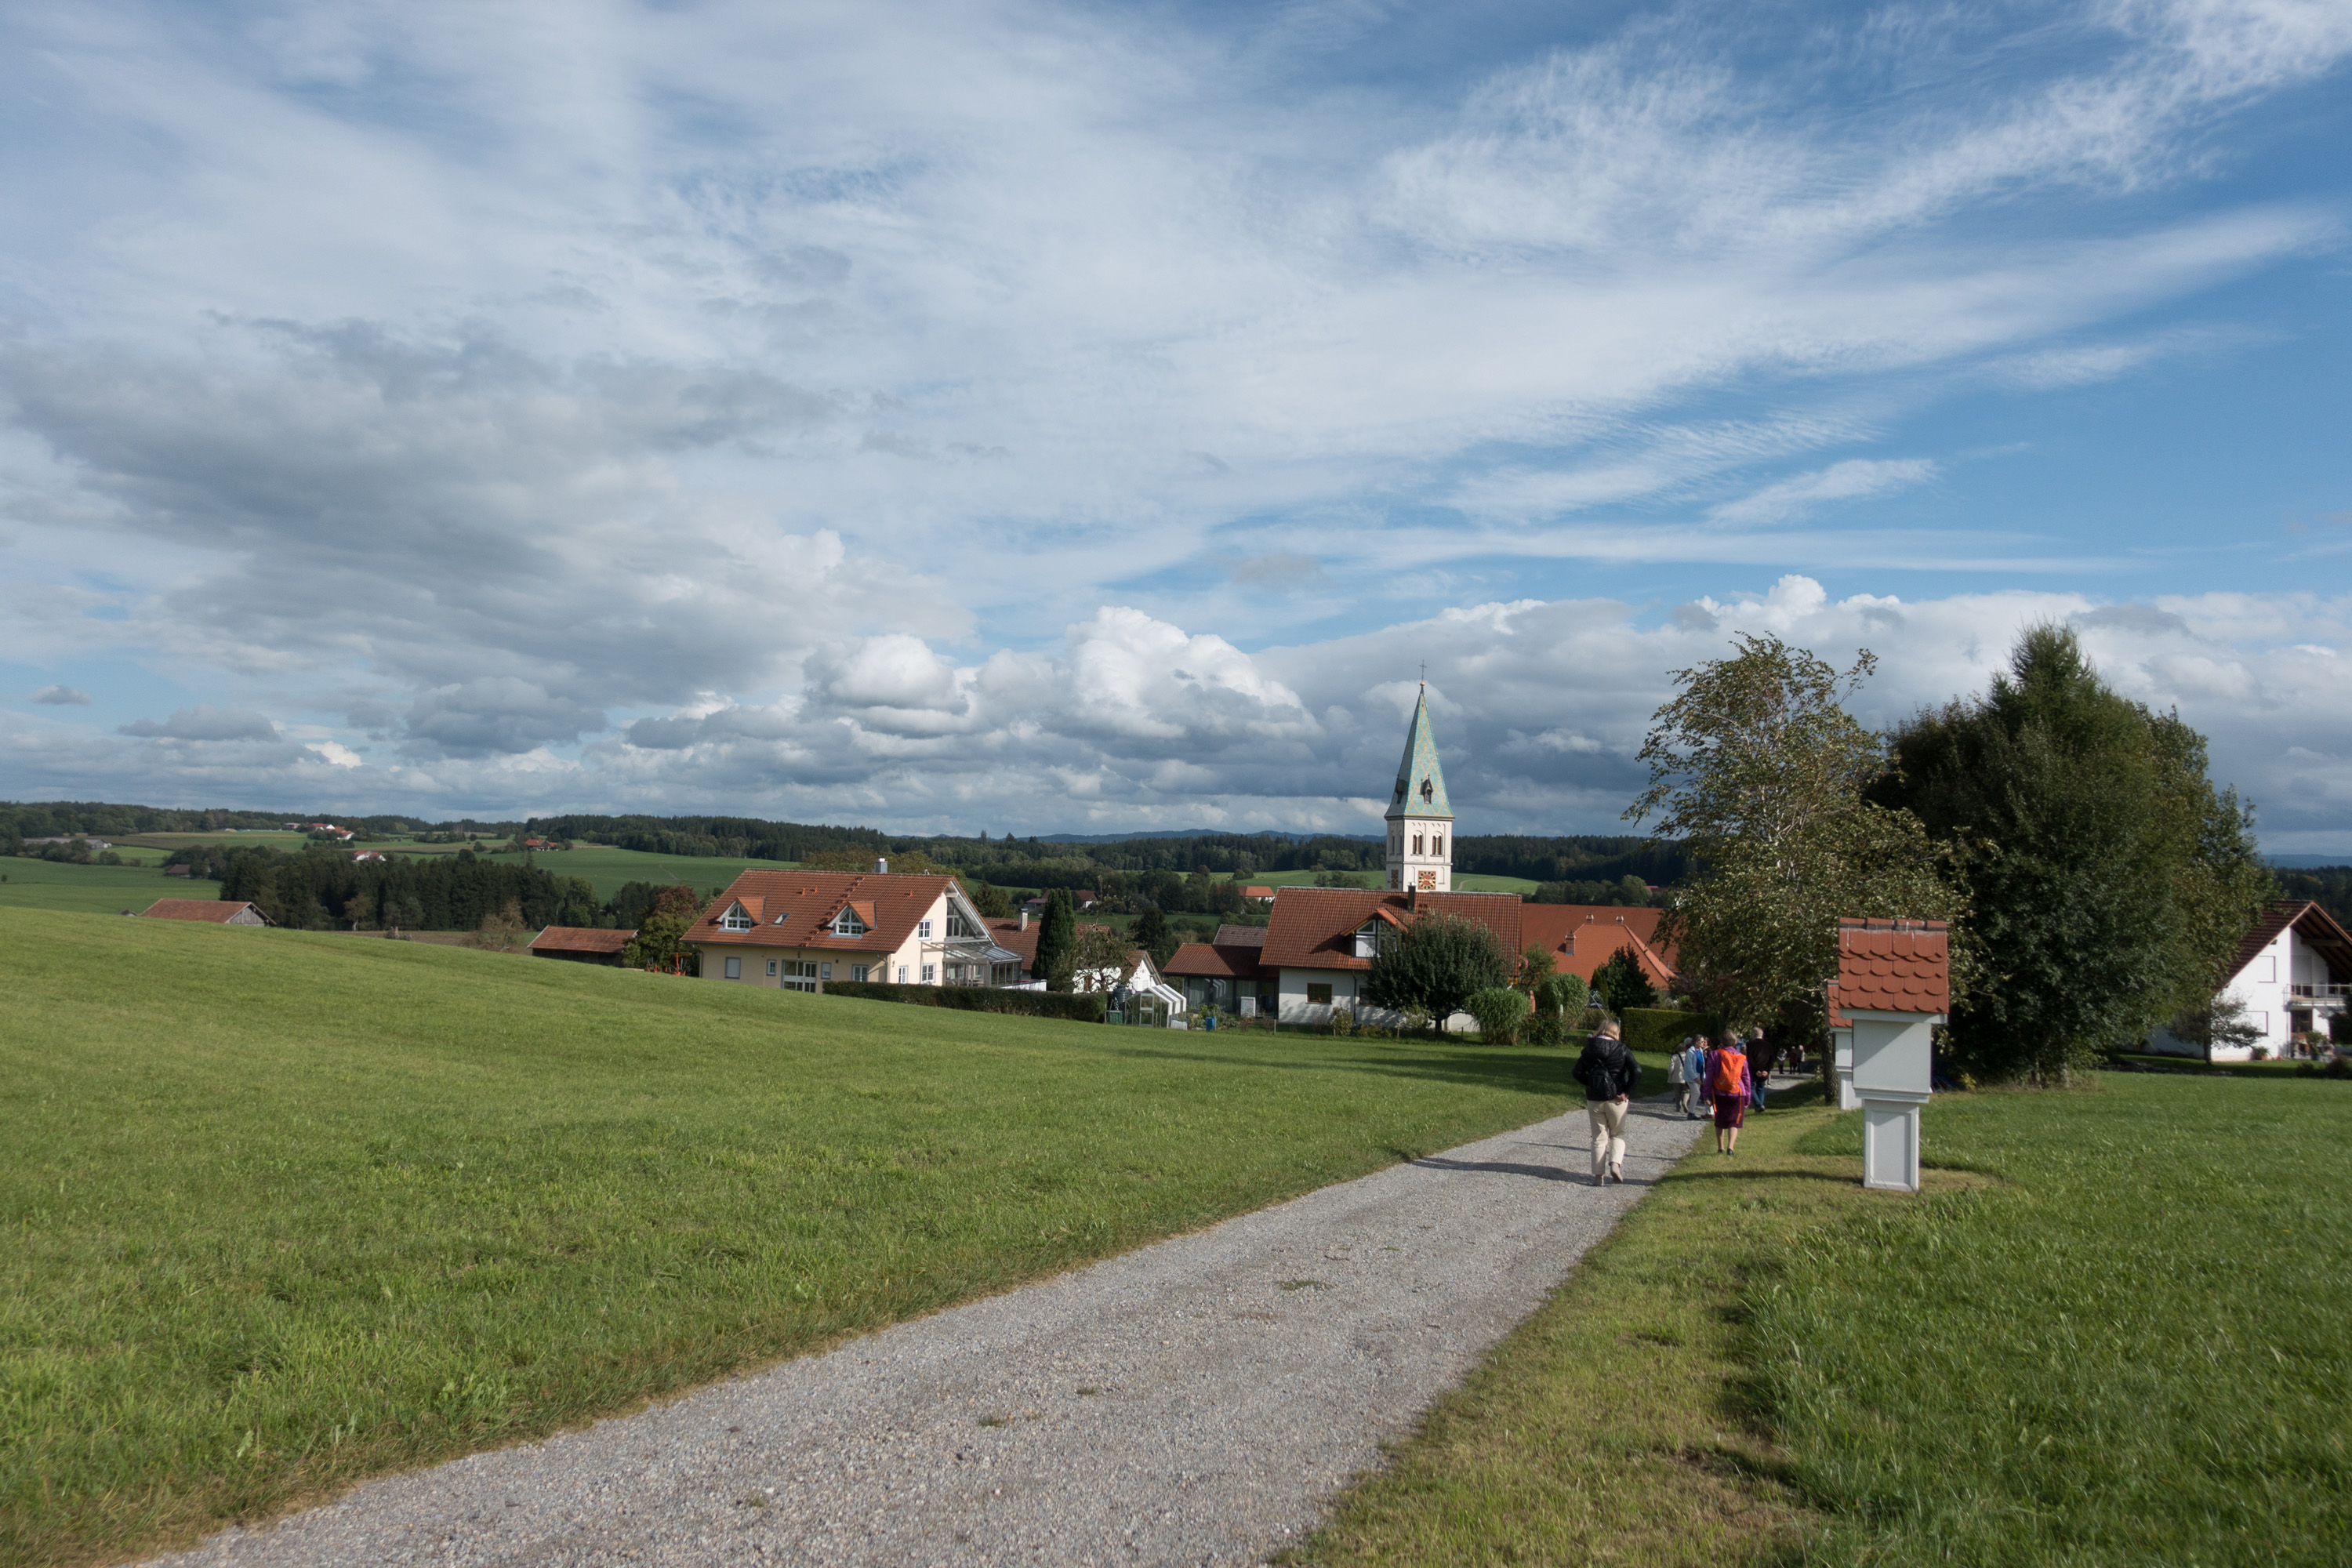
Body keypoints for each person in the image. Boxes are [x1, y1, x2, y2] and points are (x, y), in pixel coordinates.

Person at [1573, 1019, 1640, 1185]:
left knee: (1598, 1138)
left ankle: (1598, 1177)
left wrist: (1590, 1083)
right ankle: (1615, 1164)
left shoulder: (1589, 1049)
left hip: (1594, 1099)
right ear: (1616, 1033)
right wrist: (1626, 1092)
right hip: (1617, 1099)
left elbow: (1577, 1072)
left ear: (1601, 1030)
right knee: (1617, 1133)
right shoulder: (1621, 1049)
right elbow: (1637, 1071)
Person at [1708, 1031, 1750, 1155]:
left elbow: (1709, 1076)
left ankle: (1720, 1147)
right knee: (1734, 1122)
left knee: (1719, 1121)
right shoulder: (1741, 1057)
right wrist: (1747, 1098)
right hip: (1737, 1092)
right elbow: (1746, 1079)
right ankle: (1730, 1148)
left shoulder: (1715, 1054)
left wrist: (1706, 1094)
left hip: (1719, 1092)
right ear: (1735, 1042)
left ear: (1722, 1041)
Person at [1748, 1025, 1776, 1112]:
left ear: (1754, 1034)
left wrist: (1756, 1070)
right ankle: (1759, 1107)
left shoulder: (1750, 1045)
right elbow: (1772, 1059)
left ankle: (1759, 1105)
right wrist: (1767, 1070)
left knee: (1750, 1088)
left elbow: (1750, 1059)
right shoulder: (1768, 1045)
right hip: (1764, 1070)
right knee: (1760, 1089)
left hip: (1754, 1070)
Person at [1680, 1036, 1708, 1119]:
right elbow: (1689, 1067)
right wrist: (1695, 1078)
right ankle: (1691, 1112)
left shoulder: (1700, 1051)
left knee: (1694, 1094)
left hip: (1699, 1074)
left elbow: (1702, 1065)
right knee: (1697, 1093)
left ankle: (1691, 1112)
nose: (1703, 1043)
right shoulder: (1690, 1051)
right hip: (1692, 1076)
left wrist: (1703, 1076)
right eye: (1702, 1042)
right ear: (1696, 1042)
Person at [1666, 1034, 1691, 1116]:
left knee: (1677, 1093)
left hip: (1675, 1078)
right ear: (1685, 1049)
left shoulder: (1674, 1057)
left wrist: (1670, 1075)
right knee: (1687, 1091)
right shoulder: (1688, 1056)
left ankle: (1678, 1107)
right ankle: (1685, 1102)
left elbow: (1671, 1067)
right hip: (1685, 1078)